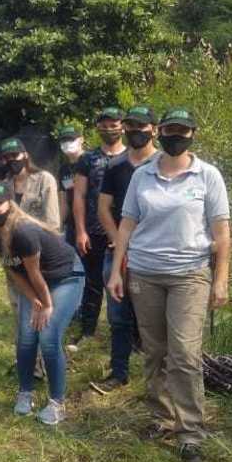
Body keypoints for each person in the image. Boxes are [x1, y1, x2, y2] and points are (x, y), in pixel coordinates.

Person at [107, 108, 230, 462]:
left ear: (192, 133)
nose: (175, 136)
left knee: (186, 355)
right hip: (144, 274)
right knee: (155, 352)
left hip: (190, 275)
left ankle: (190, 432)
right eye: (170, 130)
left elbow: (222, 234)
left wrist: (220, 279)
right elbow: (127, 225)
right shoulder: (142, 175)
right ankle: (161, 418)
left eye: (182, 131)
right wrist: (117, 272)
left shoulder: (207, 176)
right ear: (159, 132)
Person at [0, 182, 85, 425]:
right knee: (26, 336)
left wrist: (46, 305)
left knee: (48, 336)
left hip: (66, 277)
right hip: (34, 282)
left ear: (10, 204)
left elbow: (34, 272)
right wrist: (33, 299)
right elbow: (13, 270)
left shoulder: (23, 231)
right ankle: (25, 392)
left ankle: (57, 403)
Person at [91, 106, 159, 394]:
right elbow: (104, 208)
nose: (135, 132)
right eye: (130, 126)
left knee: (153, 320)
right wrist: (118, 240)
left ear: (153, 129)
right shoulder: (116, 166)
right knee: (117, 316)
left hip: (154, 254)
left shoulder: (163, 163)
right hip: (117, 252)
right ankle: (119, 373)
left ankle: (157, 380)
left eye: (141, 126)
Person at [0, 136, 59, 377]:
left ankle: (43, 364)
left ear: (25, 154)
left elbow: (52, 222)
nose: (13, 160)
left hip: (39, 255)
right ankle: (26, 360)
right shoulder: (4, 184)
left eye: (16, 155)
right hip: (13, 258)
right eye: (8, 157)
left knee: (41, 309)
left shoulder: (44, 180)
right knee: (19, 310)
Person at [71, 107, 126, 349]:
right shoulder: (88, 159)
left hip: (125, 231)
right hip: (93, 230)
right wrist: (80, 230)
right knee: (93, 283)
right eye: (103, 125)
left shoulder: (132, 157)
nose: (109, 129)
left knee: (127, 285)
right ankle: (88, 331)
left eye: (113, 124)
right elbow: (79, 196)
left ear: (123, 126)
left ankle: (129, 335)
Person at [55, 125, 85, 246]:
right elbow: (64, 202)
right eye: (64, 140)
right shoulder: (64, 170)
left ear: (81, 140)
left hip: (93, 224)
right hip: (71, 226)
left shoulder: (91, 160)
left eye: (71, 139)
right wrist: (59, 225)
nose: (67, 143)